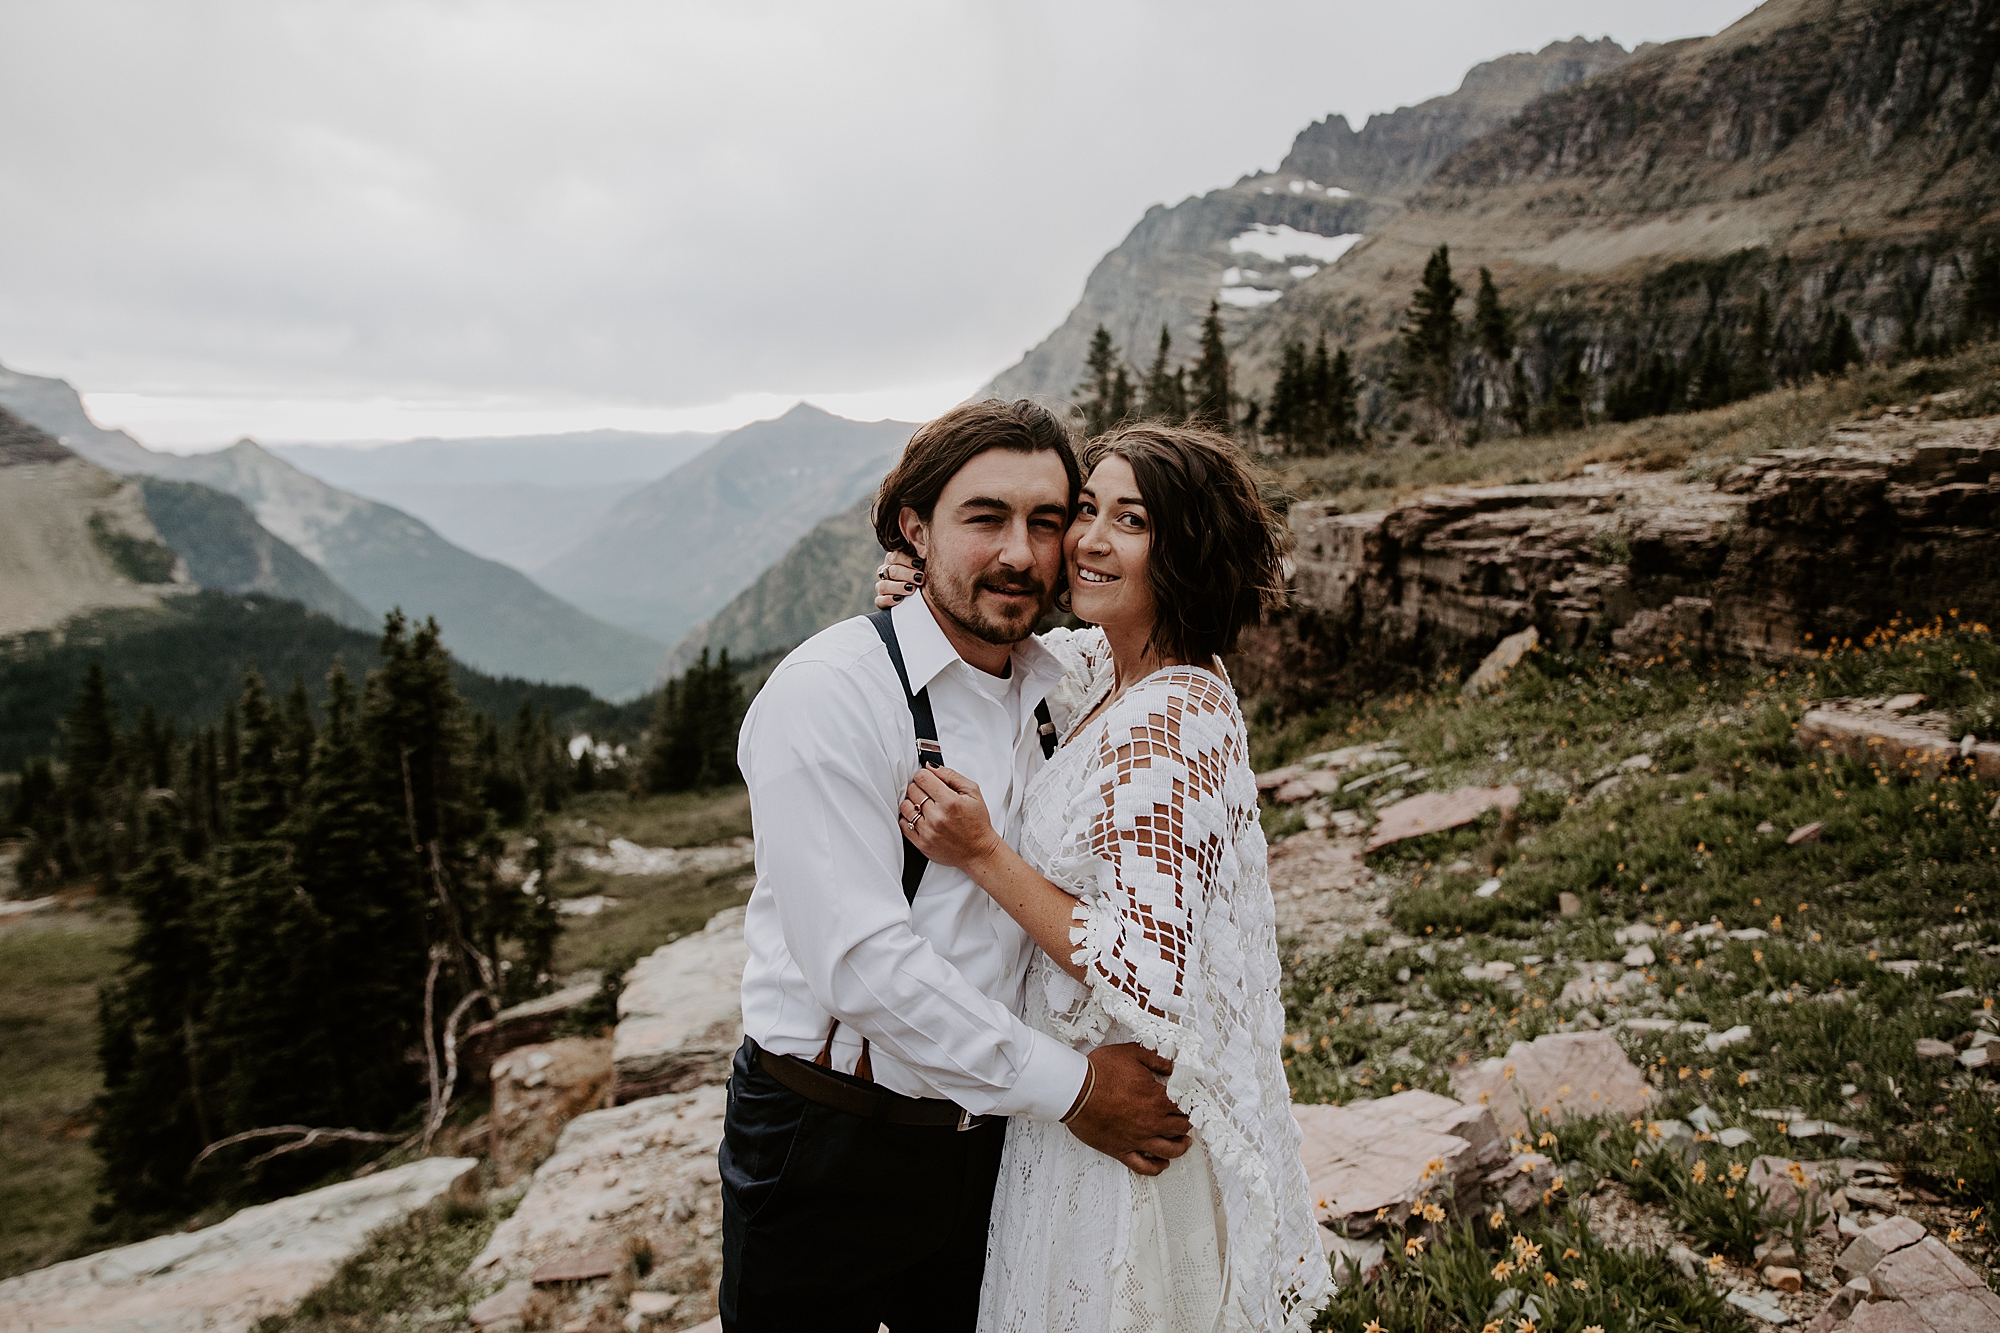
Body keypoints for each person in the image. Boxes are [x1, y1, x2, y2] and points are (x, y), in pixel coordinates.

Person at [722, 399, 1197, 1333]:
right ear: (915, 527)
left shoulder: (1060, 682)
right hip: (830, 1143)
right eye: (985, 518)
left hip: (993, 1152)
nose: (1020, 552)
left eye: (1047, 521)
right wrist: (1079, 1090)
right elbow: (862, 965)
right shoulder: (830, 694)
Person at [879, 422, 1333, 1330]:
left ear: (1185, 550)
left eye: (1130, 520)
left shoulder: (1174, 719)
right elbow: (1013, 655)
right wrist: (920, 585)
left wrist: (982, 855)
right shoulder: (1108, 671)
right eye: (1087, 509)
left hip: (1117, 1120)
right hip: (1063, 1103)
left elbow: (1146, 964)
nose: (1087, 539)